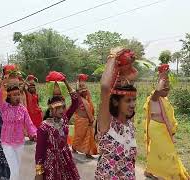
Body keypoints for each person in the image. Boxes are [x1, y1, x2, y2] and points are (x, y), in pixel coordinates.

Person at [95, 48, 138, 179]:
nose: (132, 104)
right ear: (115, 102)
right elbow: (105, 88)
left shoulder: (129, 126)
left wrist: (124, 68)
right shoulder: (107, 123)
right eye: (128, 101)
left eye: (134, 100)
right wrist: (113, 56)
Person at [144, 64, 190, 180]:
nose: (167, 90)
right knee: (168, 153)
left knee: (156, 151)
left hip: (163, 130)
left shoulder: (165, 100)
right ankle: (173, 175)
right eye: (165, 88)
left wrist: (165, 77)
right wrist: (163, 74)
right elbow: (159, 89)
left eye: (168, 88)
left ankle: (149, 170)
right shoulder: (154, 97)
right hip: (156, 129)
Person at [35, 77, 80, 180]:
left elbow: (76, 101)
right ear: (51, 109)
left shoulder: (64, 119)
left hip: (66, 159)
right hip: (51, 163)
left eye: (63, 107)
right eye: (57, 108)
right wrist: (39, 172)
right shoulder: (44, 127)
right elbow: (39, 152)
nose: (61, 110)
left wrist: (65, 82)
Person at [0, 77, 37, 180]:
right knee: (15, 170)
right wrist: (0, 81)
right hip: (6, 143)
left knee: (17, 169)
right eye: (14, 95)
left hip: (19, 142)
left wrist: (34, 134)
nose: (17, 97)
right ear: (9, 96)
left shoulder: (23, 109)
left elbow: (29, 123)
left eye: (18, 94)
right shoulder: (4, 107)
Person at [72, 74, 97, 158]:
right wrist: (91, 119)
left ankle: (88, 152)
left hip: (85, 120)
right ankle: (74, 148)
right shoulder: (80, 98)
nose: (85, 92)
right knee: (79, 135)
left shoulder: (85, 99)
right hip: (81, 120)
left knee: (88, 137)